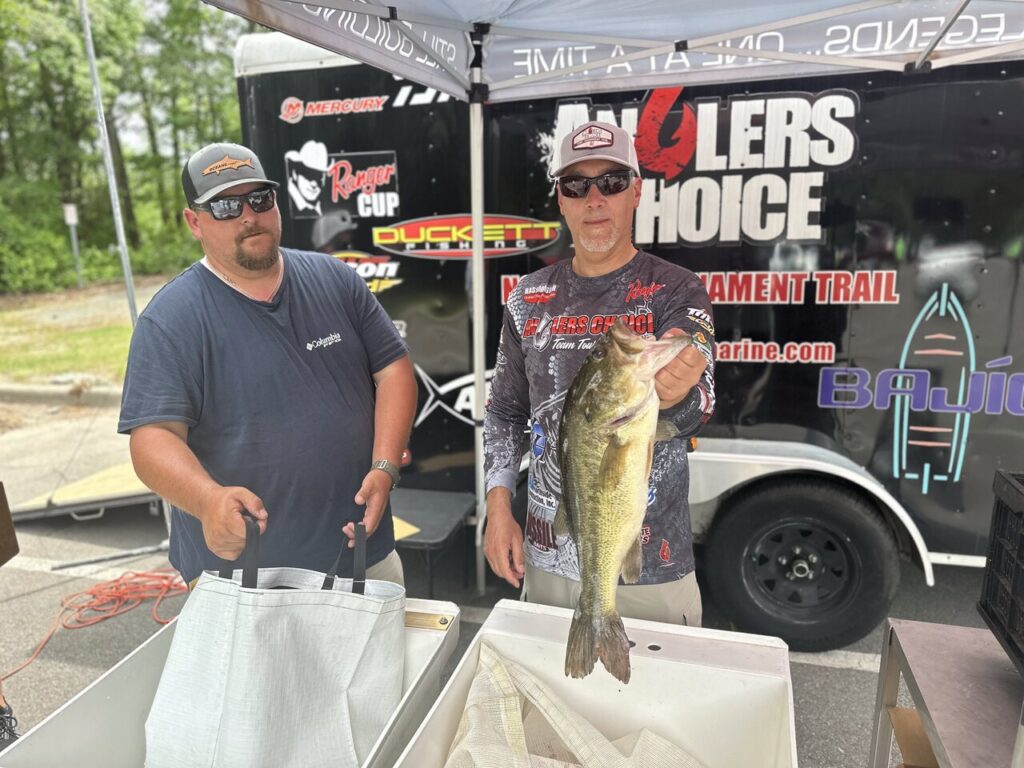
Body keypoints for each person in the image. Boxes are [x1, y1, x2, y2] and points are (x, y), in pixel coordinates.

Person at [119, 142, 417, 586]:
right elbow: (152, 439)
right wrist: (207, 500)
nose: (248, 215)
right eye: (225, 206)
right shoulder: (171, 319)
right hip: (243, 578)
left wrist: (385, 466)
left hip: (362, 556)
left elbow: (394, 370)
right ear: (194, 222)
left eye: (259, 199)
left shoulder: (336, 279)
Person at [483, 121, 716, 626]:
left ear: (636, 191)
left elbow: (699, 404)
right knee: (546, 678)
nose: (594, 199)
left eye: (611, 182)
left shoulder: (678, 290)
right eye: (576, 185)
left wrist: (680, 389)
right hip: (546, 555)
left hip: (651, 567)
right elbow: (504, 413)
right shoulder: (527, 297)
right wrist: (497, 506)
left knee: (658, 682)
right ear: (561, 200)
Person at [285, 139, 330, 218]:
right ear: (295, 174)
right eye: (309, 175)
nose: (314, 184)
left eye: (319, 177)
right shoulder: (285, 203)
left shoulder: (321, 204)